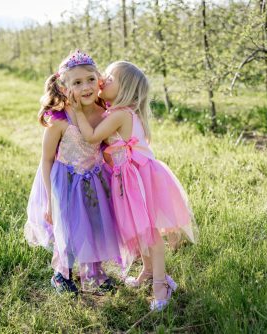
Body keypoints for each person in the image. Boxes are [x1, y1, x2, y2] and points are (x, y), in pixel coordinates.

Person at [71, 60, 197, 311]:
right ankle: (148, 272)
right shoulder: (121, 111)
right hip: (129, 177)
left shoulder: (119, 114)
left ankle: (161, 285)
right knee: (140, 229)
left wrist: (75, 111)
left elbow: (93, 137)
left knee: (150, 233)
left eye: (110, 77)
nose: (103, 79)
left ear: (125, 88)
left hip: (138, 179)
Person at [24, 50, 121, 295]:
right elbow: (46, 160)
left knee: (96, 224)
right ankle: (62, 273)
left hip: (96, 177)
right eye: (77, 83)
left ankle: (95, 272)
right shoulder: (59, 120)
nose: (86, 87)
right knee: (66, 226)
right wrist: (49, 198)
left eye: (90, 79)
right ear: (65, 87)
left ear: (99, 79)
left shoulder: (105, 113)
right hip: (65, 180)